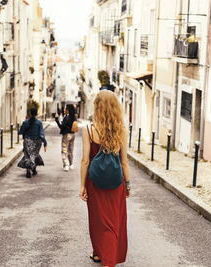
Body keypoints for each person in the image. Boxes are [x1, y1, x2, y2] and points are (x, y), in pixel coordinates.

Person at [80, 90, 130, 267]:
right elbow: (124, 162)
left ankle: (102, 256)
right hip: (116, 182)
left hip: (94, 181)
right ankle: (105, 254)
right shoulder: (122, 130)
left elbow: (85, 160)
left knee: (97, 219)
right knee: (113, 220)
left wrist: (82, 186)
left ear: (97, 107)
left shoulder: (88, 129)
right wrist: (128, 185)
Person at [18, 107, 47, 178]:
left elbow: (21, 132)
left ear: (30, 113)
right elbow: (41, 134)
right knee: (34, 155)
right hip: (37, 142)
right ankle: (33, 169)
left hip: (27, 141)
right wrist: (45, 143)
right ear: (37, 113)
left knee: (28, 155)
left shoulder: (25, 122)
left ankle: (29, 168)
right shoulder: (39, 123)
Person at [55, 104, 76, 172]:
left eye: (65, 109)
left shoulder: (66, 118)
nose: (64, 110)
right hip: (72, 135)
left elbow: (61, 127)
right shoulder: (74, 117)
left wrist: (56, 120)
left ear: (68, 110)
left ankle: (66, 165)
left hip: (66, 135)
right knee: (70, 150)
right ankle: (71, 164)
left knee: (64, 150)